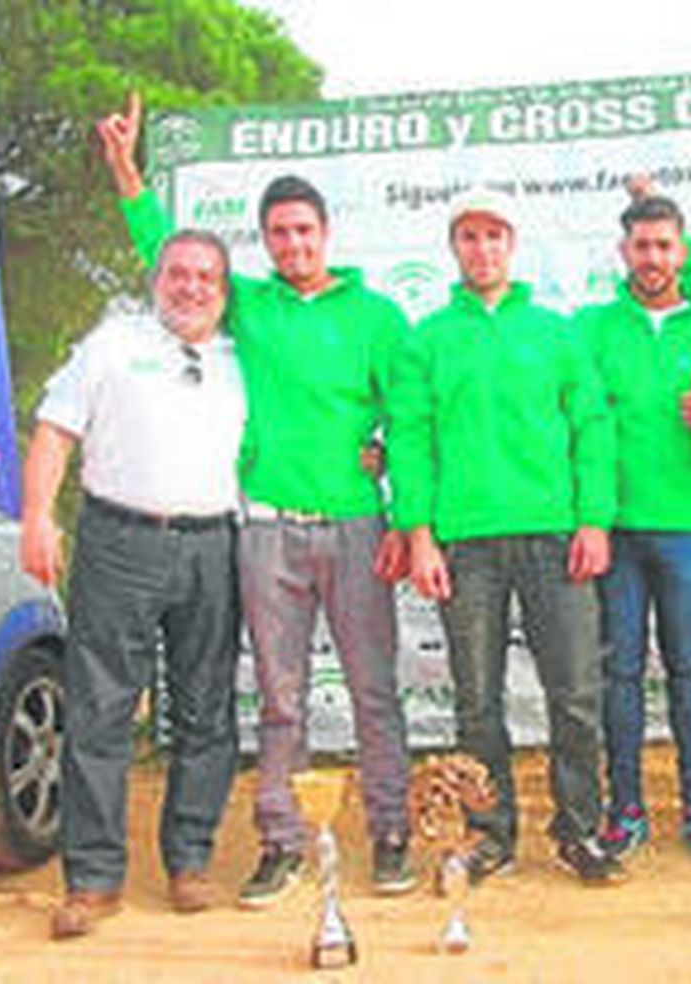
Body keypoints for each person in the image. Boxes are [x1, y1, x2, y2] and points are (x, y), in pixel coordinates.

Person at [95, 95, 416, 905]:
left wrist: (406, 517)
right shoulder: (251, 305)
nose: (293, 244)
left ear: (326, 233)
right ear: (265, 243)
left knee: (375, 691)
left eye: (305, 230)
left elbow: (410, 422)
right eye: (278, 233)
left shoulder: (378, 315)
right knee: (280, 702)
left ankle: (390, 833)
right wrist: (127, 172)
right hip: (265, 532)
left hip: (355, 530)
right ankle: (280, 843)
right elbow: (165, 257)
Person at [388, 189, 622, 884]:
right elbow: (409, 440)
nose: (482, 248)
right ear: (453, 248)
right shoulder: (424, 340)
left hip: (556, 538)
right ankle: (490, 833)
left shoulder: (558, 332)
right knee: (477, 702)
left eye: (494, 235)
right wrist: (420, 536)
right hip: (465, 546)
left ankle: (579, 831)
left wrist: (594, 520)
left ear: (512, 245)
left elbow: (593, 429)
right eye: (469, 236)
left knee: (577, 696)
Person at [21, 231, 245, 939]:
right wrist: (36, 518)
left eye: (206, 276)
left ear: (224, 288)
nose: (192, 287)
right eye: (178, 274)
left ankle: (189, 864)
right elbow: (55, 432)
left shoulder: (244, 359)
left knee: (207, 713)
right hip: (119, 541)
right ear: (158, 280)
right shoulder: (112, 343)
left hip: (215, 545)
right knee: (101, 711)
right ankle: (92, 880)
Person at [576, 196, 691, 861]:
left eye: (665, 246)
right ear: (624, 252)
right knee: (621, 675)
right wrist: (594, 518)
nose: (654, 258)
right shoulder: (591, 329)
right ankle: (626, 808)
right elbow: (579, 430)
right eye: (642, 246)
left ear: (684, 250)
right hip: (618, 530)